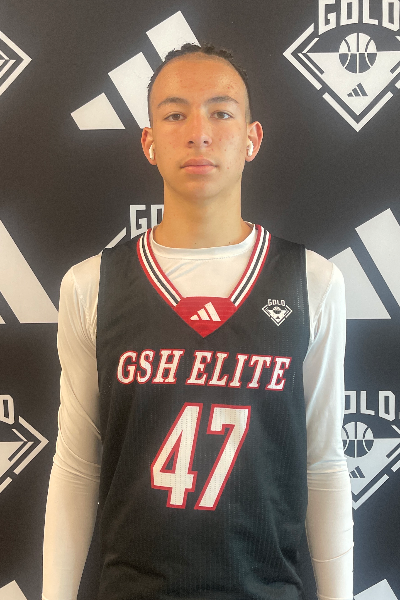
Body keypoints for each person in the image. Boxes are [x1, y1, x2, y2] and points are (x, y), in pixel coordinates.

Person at [42, 43, 353, 600]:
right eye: (175, 114)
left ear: (253, 138)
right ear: (149, 141)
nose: (199, 133)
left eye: (221, 112)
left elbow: (324, 465)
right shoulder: (91, 285)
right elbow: (76, 466)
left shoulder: (313, 281)